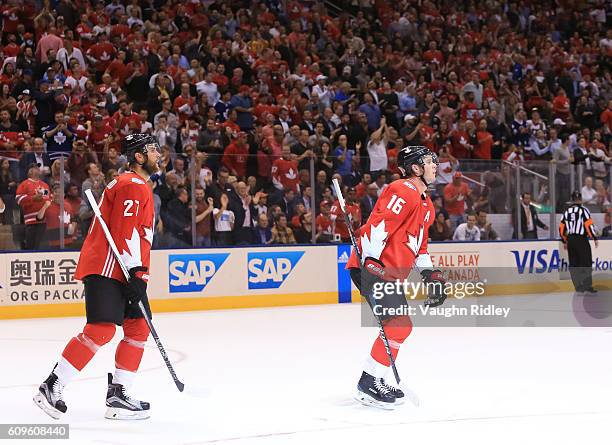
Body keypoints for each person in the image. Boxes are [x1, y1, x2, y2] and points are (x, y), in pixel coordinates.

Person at [34, 133, 161, 420]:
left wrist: (137, 273)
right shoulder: (133, 184)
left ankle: (119, 395)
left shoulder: (136, 184)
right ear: (138, 156)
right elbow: (124, 231)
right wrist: (137, 274)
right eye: (153, 150)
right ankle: (51, 386)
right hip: (110, 267)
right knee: (101, 329)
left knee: (139, 328)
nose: (158, 155)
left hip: (122, 267)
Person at [346, 145, 444, 409]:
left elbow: (419, 247)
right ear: (415, 168)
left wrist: (430, 274)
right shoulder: (403, 189)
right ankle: (368, 383)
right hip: (375, 269)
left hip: (389, 273)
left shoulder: (426, 204)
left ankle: (372, 379)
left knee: (401, 326)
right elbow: (379, 224)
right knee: (399, 324)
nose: (435, 164)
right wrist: (372, 262)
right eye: (429, 161)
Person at [559, 191, 599, 295]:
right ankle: (587, 285)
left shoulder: (567, 211)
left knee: (574, 262)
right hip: (581, 239)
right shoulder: (584, 210)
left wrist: (564, 240)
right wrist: (594, 237)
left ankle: (578, 286)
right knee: (586, 262)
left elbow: (561, 227)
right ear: (580, 199)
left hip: (571, 240)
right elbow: (588, 225)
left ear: (572, 199)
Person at [16, 163, 51, 250]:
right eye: (35, 168)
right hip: (30, 222)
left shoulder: (45, 185)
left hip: (44, 221)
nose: (38, 169)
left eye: (38, 168)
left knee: (43, 247)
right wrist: (33, 198)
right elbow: (19, 199)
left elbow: (48, 199)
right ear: (30, 171)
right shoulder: (24, 184)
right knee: (31, 247)